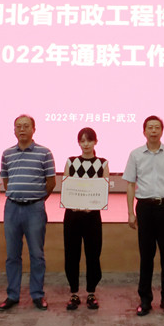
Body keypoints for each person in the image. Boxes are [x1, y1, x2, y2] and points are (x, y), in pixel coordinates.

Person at [123, 115, 164, 316]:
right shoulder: (135, 154)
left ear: (162, 131)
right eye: (150, 127)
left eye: (157, 127)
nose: (153, 131)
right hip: (145, 208)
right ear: (144, 131)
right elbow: (130, 185)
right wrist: (130, 212)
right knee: (146, 256)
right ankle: (145, 300)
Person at [0, 114, 56, 311]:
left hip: (35, 209)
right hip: (12, 208)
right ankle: (12, 295)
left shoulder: (44, 153)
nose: (22, 129)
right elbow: (6, 181)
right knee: (12, 255)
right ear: (14, 130)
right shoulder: (7, 154)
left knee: (37, 254)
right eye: (18, 126)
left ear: (33, 129)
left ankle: (37, 295)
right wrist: (19, 195)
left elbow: (51, 182)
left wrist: (37, 199)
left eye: (26, 126)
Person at [63, 127, 109, 311]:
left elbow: (103, 189)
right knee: (71, 254)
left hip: (92, 216)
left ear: (95, 142)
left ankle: (91, 292)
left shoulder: (102, 163)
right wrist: (72, 203)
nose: (86, 144)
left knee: (93, 254)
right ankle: (73, 293)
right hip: (72, 215)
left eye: (89, 140)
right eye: (82, 141)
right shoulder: (71, 161)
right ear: (78, 143)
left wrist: (93, 204)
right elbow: (66, 186)